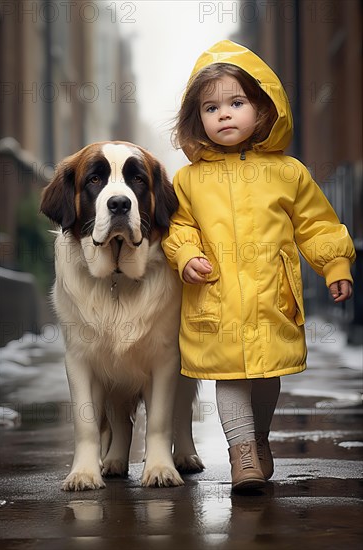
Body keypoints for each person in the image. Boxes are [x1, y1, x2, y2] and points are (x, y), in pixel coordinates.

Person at [162, 40, 355, 492]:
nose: (224, 114)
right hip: (216, 298)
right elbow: (178, 228)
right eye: (210, 108)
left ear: (264, 109)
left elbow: (316, 225)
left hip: (271, 297)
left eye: (236, 102)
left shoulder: (287, 173)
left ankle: (259, 438)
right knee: (229, 378)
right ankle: (242, 454)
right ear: (197, 120)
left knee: (267, 378)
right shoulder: (188, 181)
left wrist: (336, 265)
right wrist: (187, 256)